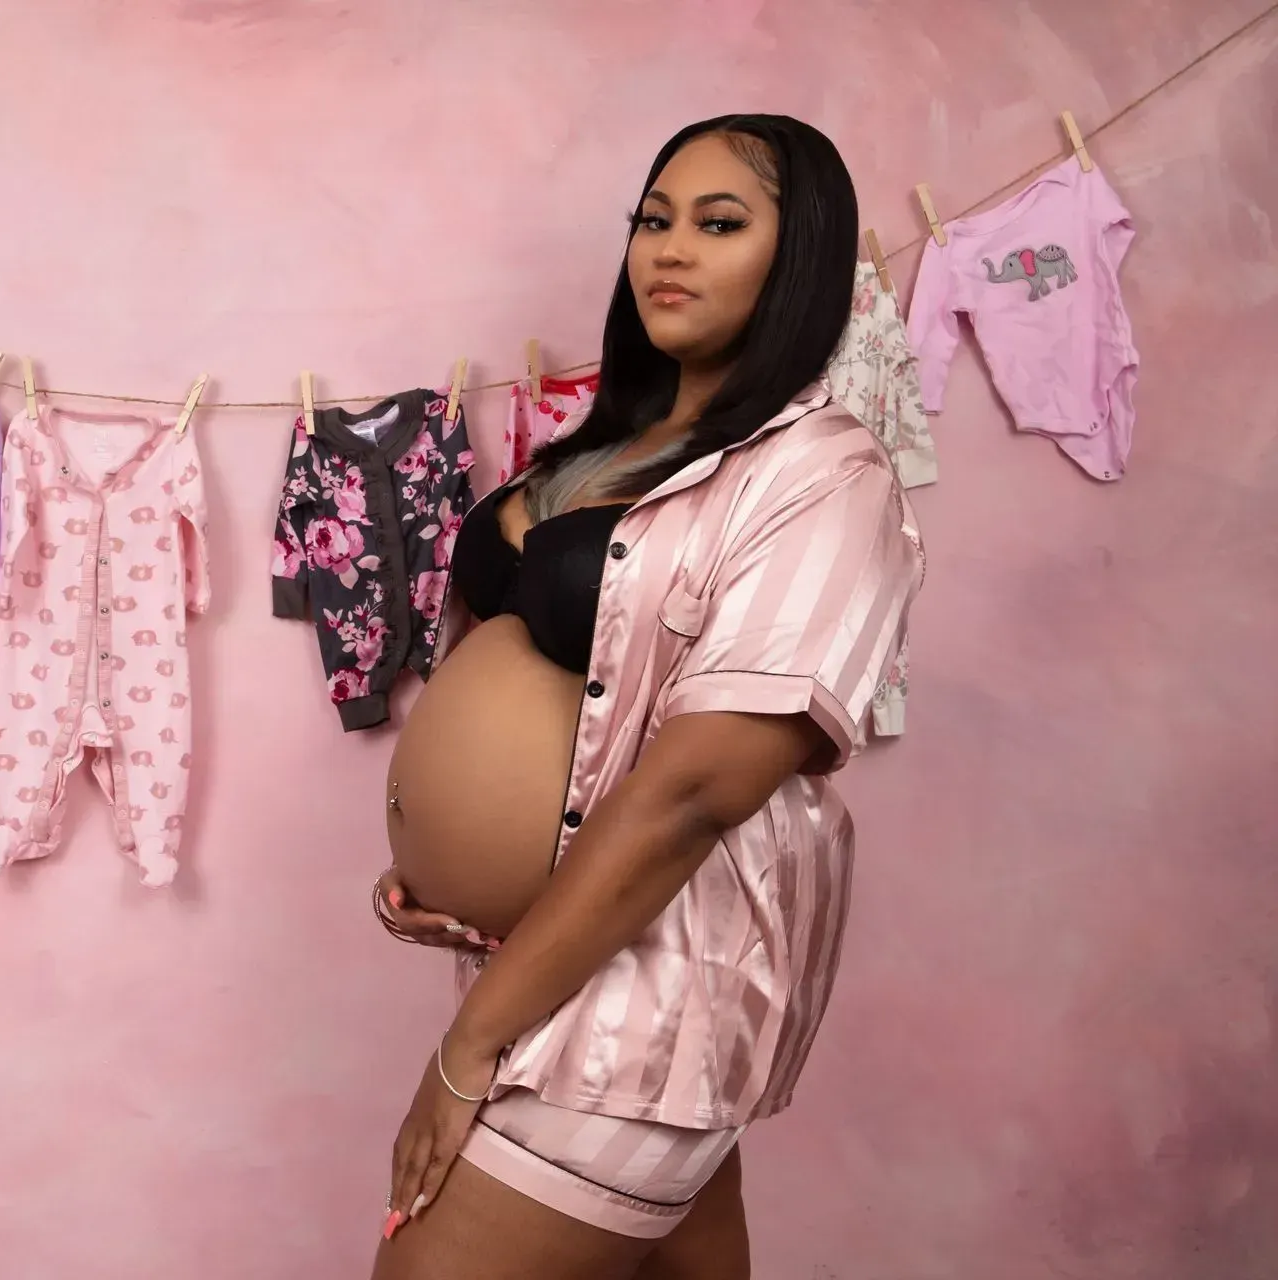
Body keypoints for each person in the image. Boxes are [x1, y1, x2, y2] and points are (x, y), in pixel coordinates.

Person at [369, 114, 924, 1279]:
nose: (670, 249)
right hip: (549, 961)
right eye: (654, 221)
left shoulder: (823, 475)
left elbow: (693, 791)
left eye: (720, 224)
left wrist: (467, 1049)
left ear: (800, 257)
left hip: (651, 993)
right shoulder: (602, 448)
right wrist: (452, 865)